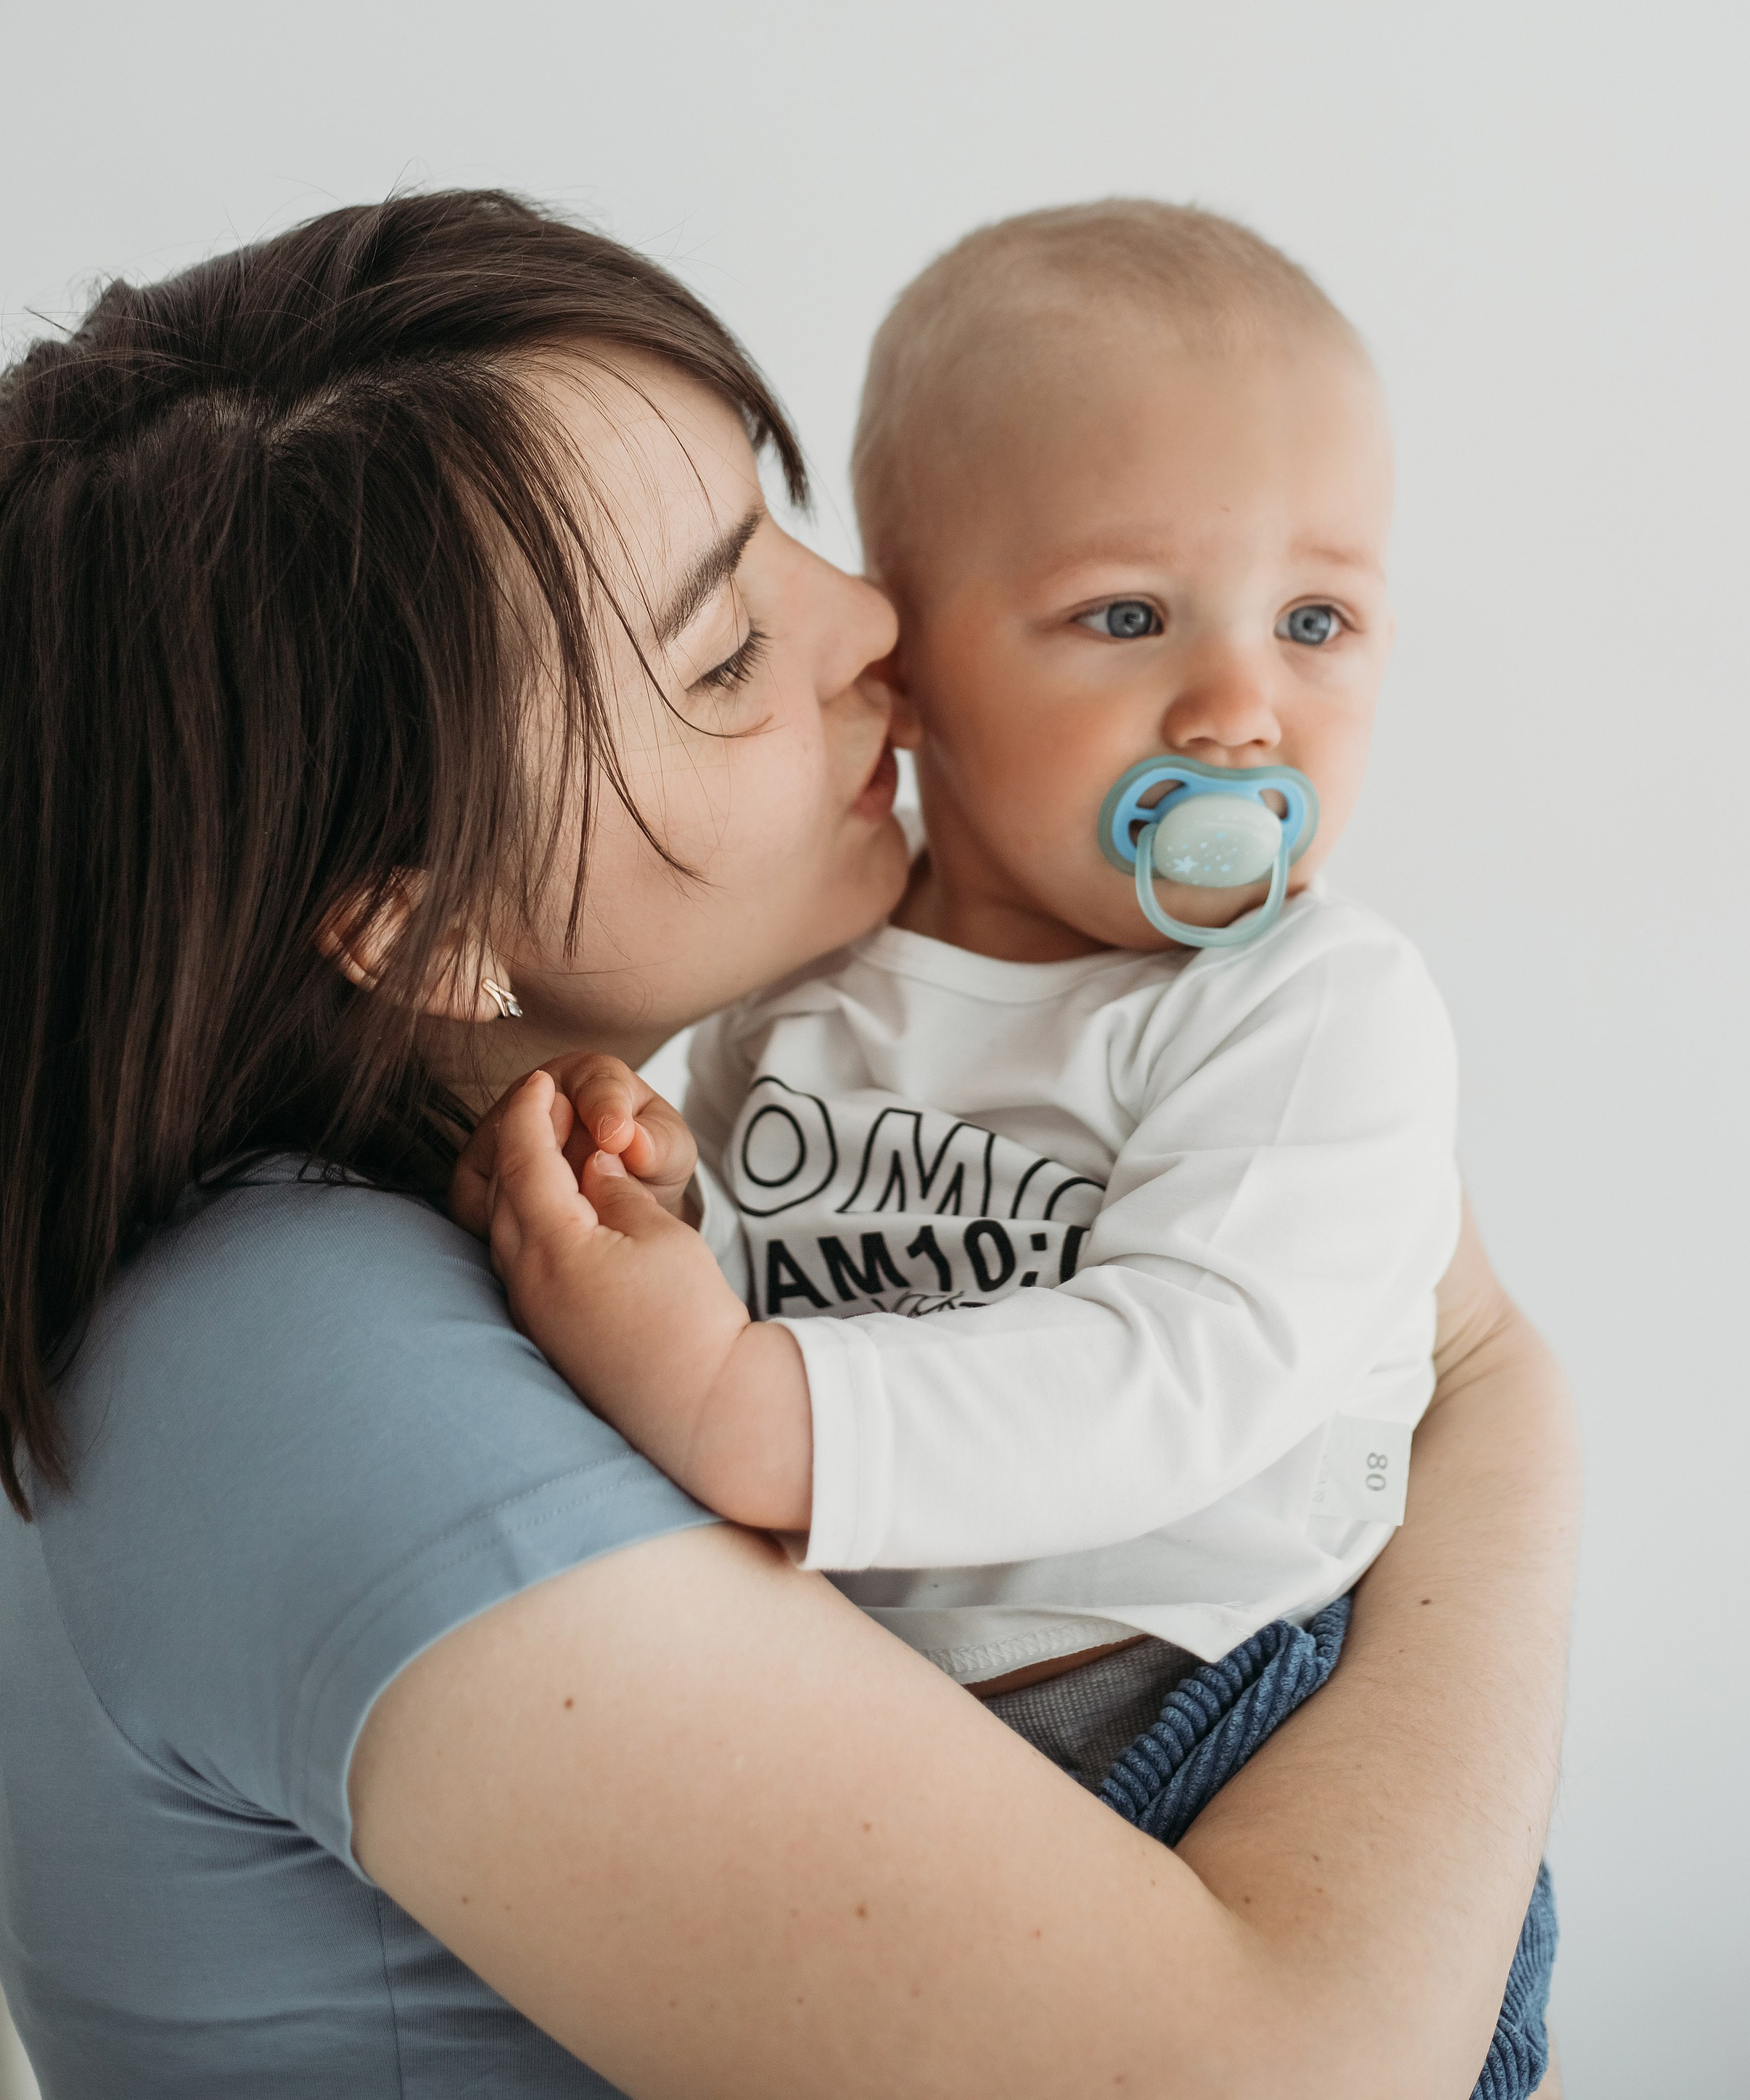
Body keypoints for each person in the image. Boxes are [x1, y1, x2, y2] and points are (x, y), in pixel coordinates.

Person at [0, 189, 1576, 2099]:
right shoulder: (297, 1365)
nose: (879, 625)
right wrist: (1495, 1405)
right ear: (415, 924)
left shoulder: (499, 1210)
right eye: (728, 645)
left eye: (787, 530)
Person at [451, 202, 1556, 2091]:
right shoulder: (810, 998)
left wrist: (743, 1399)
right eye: (1126, 617)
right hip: (920, 1746)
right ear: (914, 672)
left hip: (1216, 1717)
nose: (1238, 707)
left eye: (1319, 620)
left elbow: (1182, 1372)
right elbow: (794, 1263)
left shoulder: (1311, 1010)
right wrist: (668, 1200)